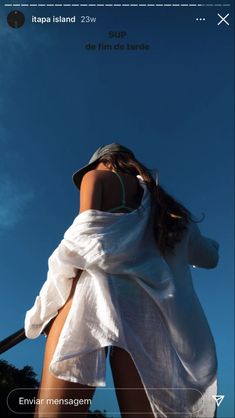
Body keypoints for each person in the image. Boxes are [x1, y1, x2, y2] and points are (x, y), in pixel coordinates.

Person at [25, 143, 219, 418]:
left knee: (56, 414)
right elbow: (210, 258)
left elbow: (83, 243)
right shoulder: (171, 211)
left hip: (91, 298)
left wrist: (45, 310)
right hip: (149, 313)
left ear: (102, 162)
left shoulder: (96, 179)